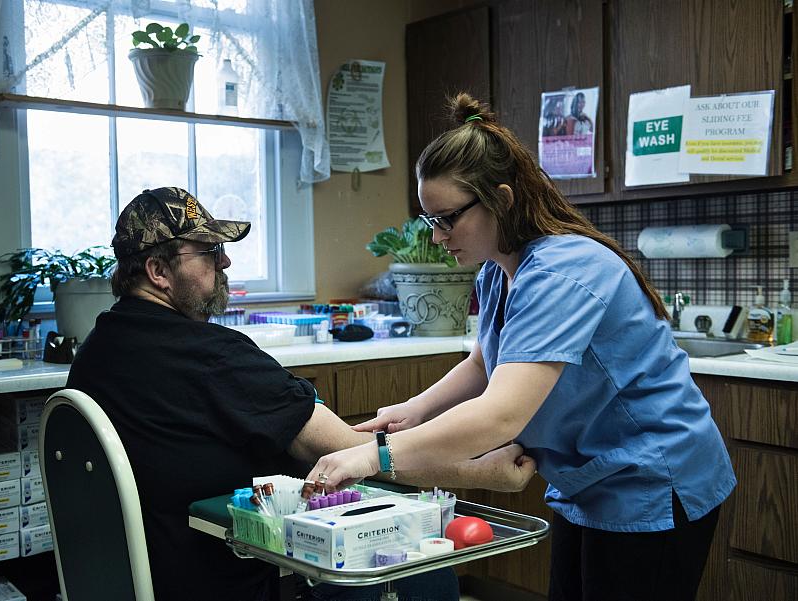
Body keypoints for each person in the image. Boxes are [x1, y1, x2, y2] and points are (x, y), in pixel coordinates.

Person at [306, 95, 736, 601]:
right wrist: (412, 411)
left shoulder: (563, 270)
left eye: (447, 219)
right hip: (591, 479)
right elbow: (486, 361)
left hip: (653, 478)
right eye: (430, 221)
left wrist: (376, 457)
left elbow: (500, 416)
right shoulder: (498, 270)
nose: (439, 237)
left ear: (502, 200)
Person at [67, 186, 537, 601]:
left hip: (149, 572)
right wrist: (477, 472)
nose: (225, 261)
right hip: (227, 574)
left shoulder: (95, 351)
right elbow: (348, 450)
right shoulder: (212, 356)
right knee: (419, 571)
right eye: (208, 252)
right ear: (158, 271)